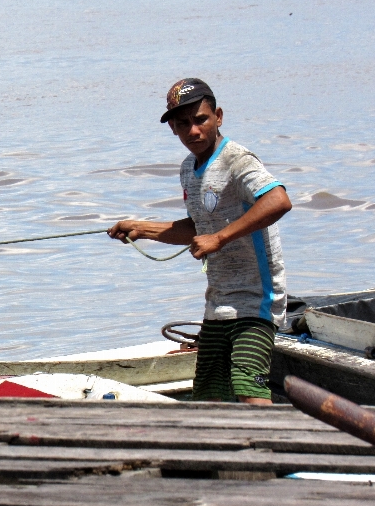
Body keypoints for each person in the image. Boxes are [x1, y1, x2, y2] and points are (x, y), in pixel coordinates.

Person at [108, 78, 292, 404]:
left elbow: (278, 201)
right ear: (173, 130)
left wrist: (220, 239)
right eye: (183, 124)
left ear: (218, 116)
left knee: (248, 385)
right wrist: (141, 228)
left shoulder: (238, 160)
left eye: (201, 120)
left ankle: (270, 448)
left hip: (256, 303)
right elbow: (198, 228)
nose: (193, 130)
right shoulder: (187, 170)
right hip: (218, 305)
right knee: (208, 397)